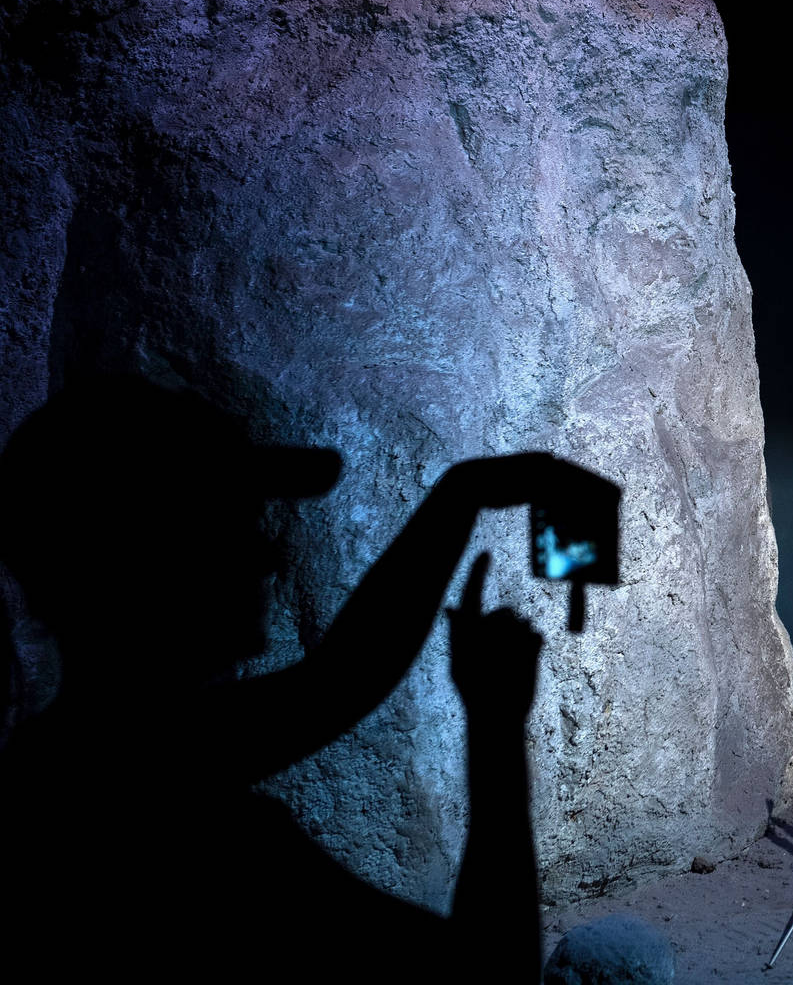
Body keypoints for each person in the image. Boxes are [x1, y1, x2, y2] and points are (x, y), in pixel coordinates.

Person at [0, 378, 597, 982]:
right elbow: (489, 972)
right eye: (237, 525)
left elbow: (338, 681)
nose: (272, 556)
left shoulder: (73, 761)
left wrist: (461, 494)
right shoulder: (206, 844)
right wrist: (495, 723)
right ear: (154, 556)